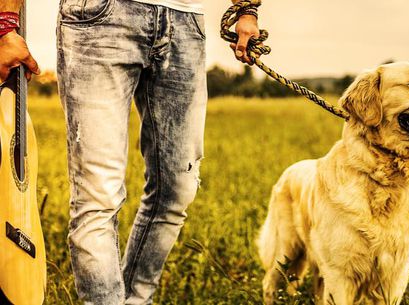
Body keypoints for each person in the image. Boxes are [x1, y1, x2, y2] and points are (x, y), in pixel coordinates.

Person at [0, 0, 261, 304]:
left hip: (184, 21)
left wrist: (247, 10)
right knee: (97, 199)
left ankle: (137, 299)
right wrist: (5, 23)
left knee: (176, 190)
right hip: (99, 18)